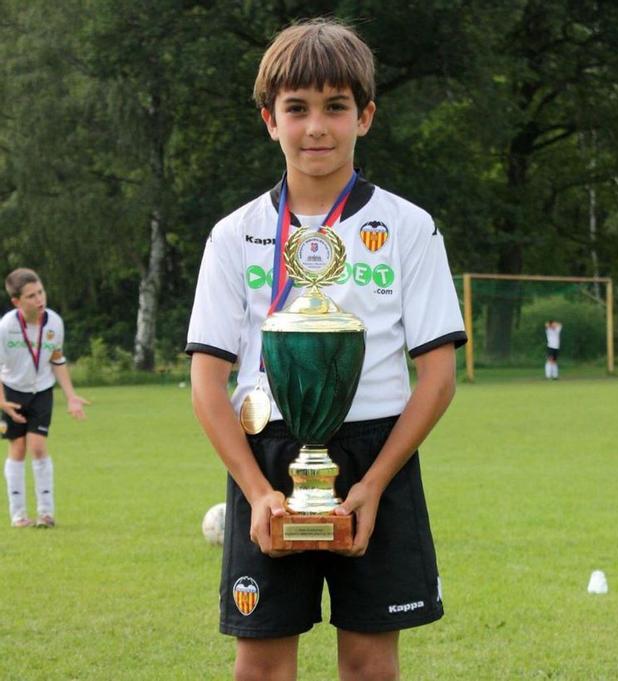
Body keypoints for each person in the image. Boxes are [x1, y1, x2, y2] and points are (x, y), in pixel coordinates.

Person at [186, 18, 466, 681]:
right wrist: (256, 491)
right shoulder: (236, 235)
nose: (317, 126)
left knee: (370, 663)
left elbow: (437, 375)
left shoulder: (406, 227)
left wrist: (374, 481)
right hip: (271, 456)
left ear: (365, 116)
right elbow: (207, 380)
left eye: (336, 107)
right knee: (259, 665)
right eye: (298, 108)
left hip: (377, 454)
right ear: (269, 119)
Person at [1, 268, 89, 528]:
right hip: (12, 391)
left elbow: (56, 359)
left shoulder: (54, 322)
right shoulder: (6, 327)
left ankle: (46, 514)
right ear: (17, 302)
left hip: (42, 391)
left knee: (38, 447)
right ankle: (18, 515)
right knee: (17, 448)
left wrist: (71, 397)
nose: (39, 299)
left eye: (40, 292)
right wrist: (2, 401)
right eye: (31, 296)